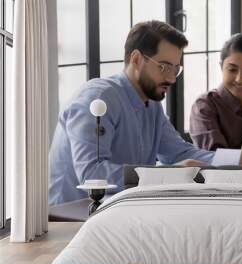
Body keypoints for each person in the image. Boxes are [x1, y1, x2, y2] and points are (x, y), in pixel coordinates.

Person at [49, 20, 214, 205]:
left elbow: (179, 153)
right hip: (69, 220)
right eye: (164, 67)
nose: (171, 78)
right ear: (136, 59)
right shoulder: (98, 98)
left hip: (119, 211)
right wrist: (168, 175)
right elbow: (92, 174)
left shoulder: (152, 106)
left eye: (175, 69)